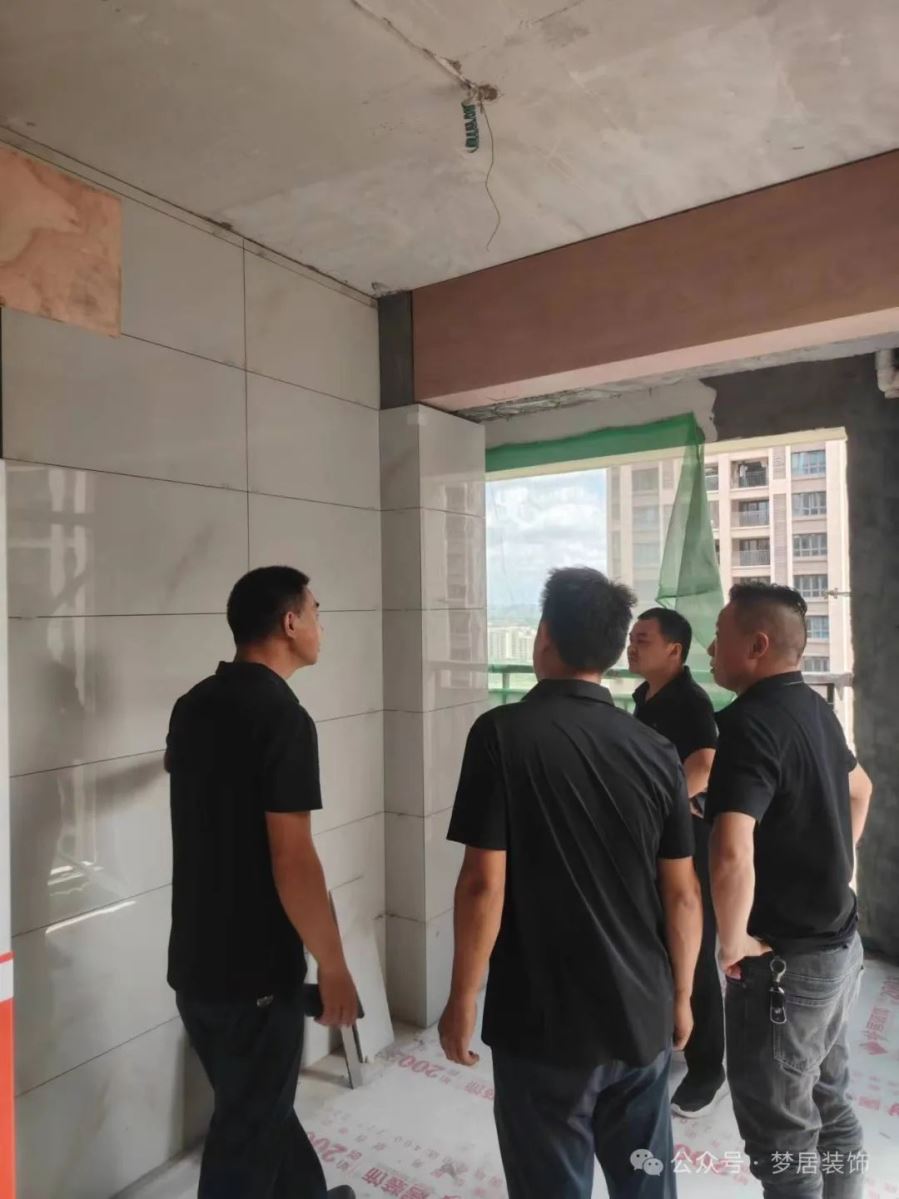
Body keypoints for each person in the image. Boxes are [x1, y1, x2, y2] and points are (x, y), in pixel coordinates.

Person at [439, 567, 702, 1199]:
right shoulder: (655, 750)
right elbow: (683, 893)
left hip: (542, 1024)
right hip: (640, 1013)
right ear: (612, 651)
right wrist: (682, 995)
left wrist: (462, 996)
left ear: (544, 637)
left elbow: (482, 885)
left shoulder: (501, 734)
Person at [166, 566, 357, 1199]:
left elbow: (184, 773)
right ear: (290, 622)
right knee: (246, 1139)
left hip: (195, 965)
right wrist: (333, 965)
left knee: (256, 1106)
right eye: (317, 612)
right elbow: (292, 859)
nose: (322, 626)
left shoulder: (194, 703)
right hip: (256, 976)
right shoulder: (283, 718)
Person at [706, 583, 873, 1199]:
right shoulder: (815, 707)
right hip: (840, 948)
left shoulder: (748, 723)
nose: (710, 648)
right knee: (831, 1102)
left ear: (757, 645)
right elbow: (861, 790)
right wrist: (831, 864)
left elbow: (731, 849)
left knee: (784, 1143)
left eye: (719, 637)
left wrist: (732, 943)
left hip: (784, 965)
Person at [629, 608, 725, 1118]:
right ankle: (672, 1033)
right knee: (659, 939)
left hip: (689, 839)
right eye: (631, 637)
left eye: (642, 639)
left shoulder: (689, 700)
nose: (631, 646)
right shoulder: (644, 696)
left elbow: (704, 764)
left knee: (694, 950)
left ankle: (709, 1069)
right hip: (656, 837)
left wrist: (660, 810)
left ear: (674, 650)